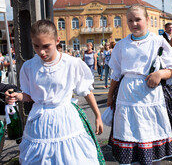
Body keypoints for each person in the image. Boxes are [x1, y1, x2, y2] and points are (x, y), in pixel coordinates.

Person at [5, 20, 104, 164]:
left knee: (70, 158)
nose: (41, 52)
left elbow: (86, 91)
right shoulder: (29, 67)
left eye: (46, 46)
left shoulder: (71, 63)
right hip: (39, 122)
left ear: (57, 40)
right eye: (36, 46)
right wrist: (16, 97)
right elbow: (29, 95)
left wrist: (98, 116)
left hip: (65, 119)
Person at [107, 4, 172, 165]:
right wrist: (109, 97)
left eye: (138, 19)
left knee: (151, 135)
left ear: (147, 20)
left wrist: (160, 73)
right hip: (127, 97)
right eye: (130, 20)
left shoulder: (158, 41)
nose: (134, 24)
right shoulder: (121, 45)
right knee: (129, 134)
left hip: (151, 95)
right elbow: (116, 74)